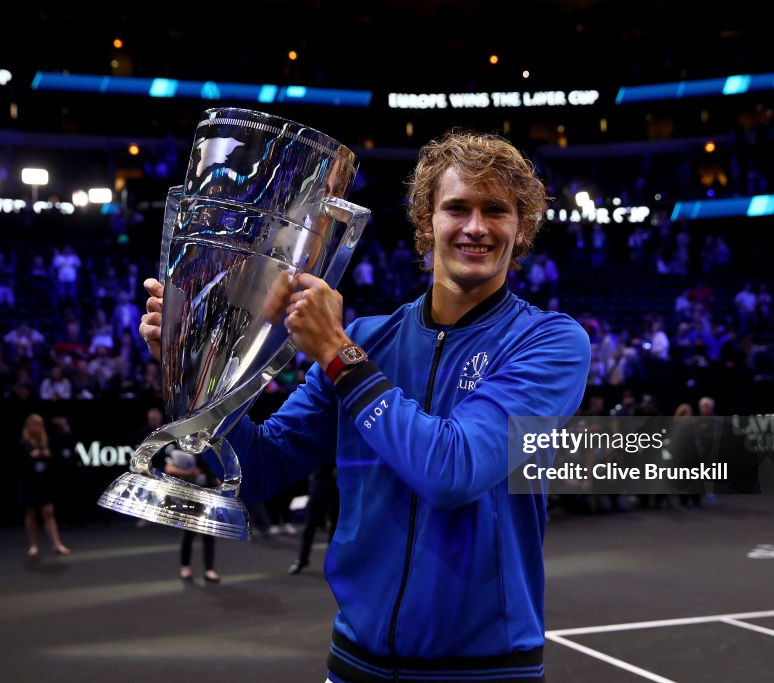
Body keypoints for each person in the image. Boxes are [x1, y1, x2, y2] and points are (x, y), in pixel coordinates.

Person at [140, 131, 590, 682]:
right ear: (427, 222)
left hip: (486, 670)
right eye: (457, 208)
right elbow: (257, 471)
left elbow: (453, 471)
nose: (476, 227)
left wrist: (336, 353)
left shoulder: (549, 341)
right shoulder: (368, 340)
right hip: (355, 663)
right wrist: (193, 373)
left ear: (521, 228)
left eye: (496, 210)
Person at [164, 446, 221, 583]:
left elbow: (217, 475)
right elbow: (169, 469)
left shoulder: (210, 449)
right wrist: (189, 472)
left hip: (208, 496)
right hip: (189, 497)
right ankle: (185, 567)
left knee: (208, 535)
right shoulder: (182, 448)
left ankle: (209, 570)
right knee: (188, 534)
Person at [19, 413, 70, 557]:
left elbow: (57, 461)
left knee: (48, 512)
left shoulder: (47, 442)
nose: (37, 428)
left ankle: (56, 543)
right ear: (28, 427)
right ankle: (33, 545)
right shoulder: (23, 443)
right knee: (31, 512)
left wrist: (47, 455)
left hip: (44, 482)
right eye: (34, 425)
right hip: (29, 483)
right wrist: (32, 456)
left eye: (39, 425)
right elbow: (20, 464)